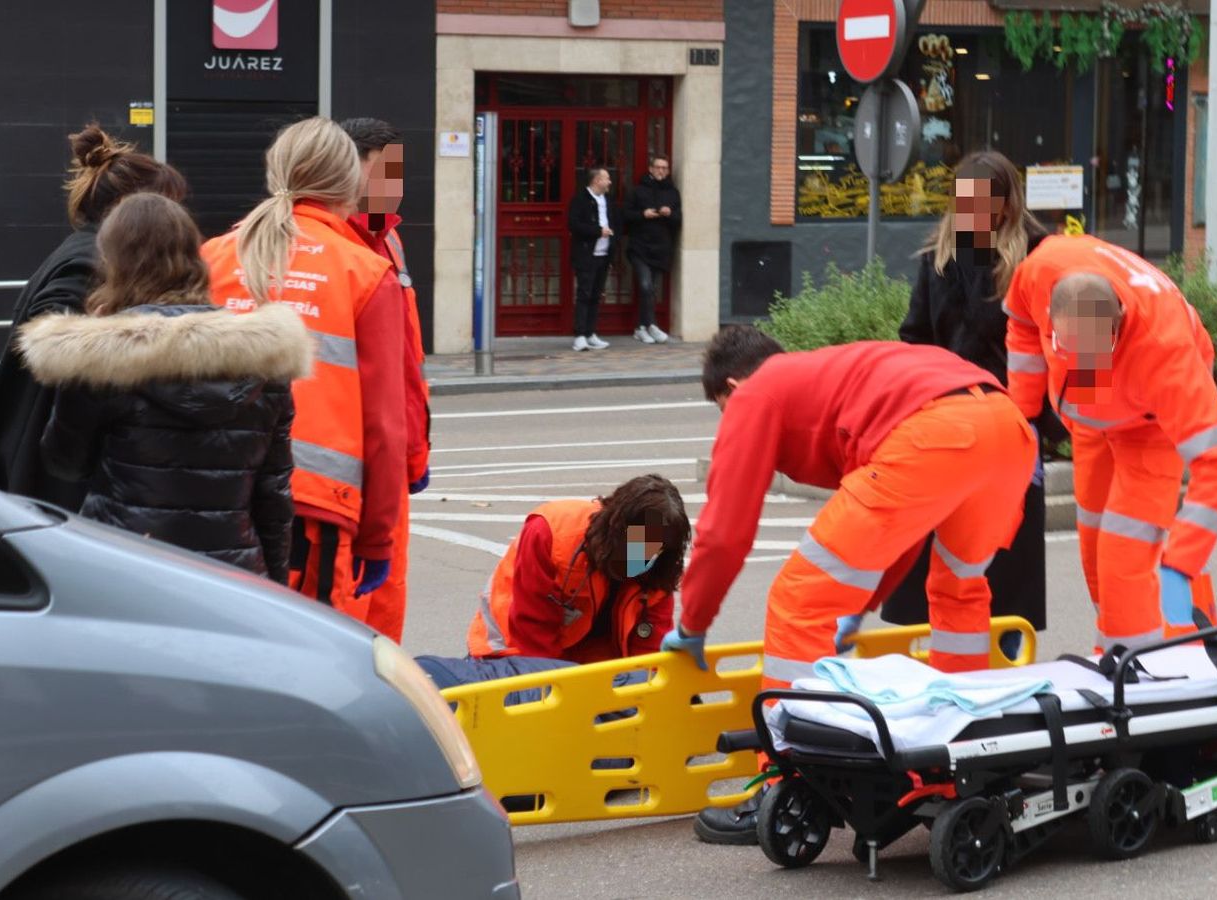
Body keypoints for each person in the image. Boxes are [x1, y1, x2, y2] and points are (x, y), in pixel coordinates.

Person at [663, 327, 1036, 844]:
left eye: (725, 411)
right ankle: (962, 752)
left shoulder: (756, 391)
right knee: (959, 590)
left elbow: (725, 532)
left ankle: (783, 783)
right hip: (1007, 430)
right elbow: (899, 528)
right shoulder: (838, 375)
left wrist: (693, 622)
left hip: (934, 434)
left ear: (732, 385)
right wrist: (858, 609)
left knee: (798, 599)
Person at [16, 193, 311, 581]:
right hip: (234, 574)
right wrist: (274, 586)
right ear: (193, 257)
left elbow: (64, 463)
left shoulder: (103, 358)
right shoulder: (263, 359)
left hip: (128, 566)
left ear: (113, 262)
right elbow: (273, 497)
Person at [202, 117, 408, 623]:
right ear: (351, 182)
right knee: (304, 653)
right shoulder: (363, 269)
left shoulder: (213, 255)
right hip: (313, 508)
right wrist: (378, 537)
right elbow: (384, 420)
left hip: (214, 490)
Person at [1004, 234, 1217, 654]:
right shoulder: (1040, 271)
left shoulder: (1165, 356)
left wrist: (1180, 565)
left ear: (1116, 328)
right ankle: (1126, 645)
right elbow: (1022, 325)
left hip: (1149, 428)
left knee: (1124, 560)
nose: (1082, 365)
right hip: (1094, 421)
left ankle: (1134, 676)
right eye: (1067, 349)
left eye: (1093, 352)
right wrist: (1023, 416)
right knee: (1095, 546)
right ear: (1052, 318)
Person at [888, 150, 1058, 656]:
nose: (969, 214)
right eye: (962, 202)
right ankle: (938, 660)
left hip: (1012, 427)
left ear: (1006, 206)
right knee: (937, 559)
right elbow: (914, 338)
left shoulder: (1038, 256)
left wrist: (1058, 421)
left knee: (1005, 564)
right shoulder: (937, 259)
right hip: (946, 426)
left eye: (981, 204)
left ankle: (1006, 660)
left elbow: (1060, 345)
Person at [0, 124, 188, 511]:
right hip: (52, 487)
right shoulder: (90, 265)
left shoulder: (82, 251)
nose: (176, 218)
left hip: (36, 472)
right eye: (168, 205)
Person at [414, 474, 688, 690]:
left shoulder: (657, 570)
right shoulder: (551, 534)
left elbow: (649, 652)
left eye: (656, 548)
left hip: (585, 663)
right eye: (640, 544)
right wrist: (556, 696)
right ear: (617, 528)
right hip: (513, 650)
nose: (645, 554)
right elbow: (532, 634)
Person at [339, 116, 433, 643]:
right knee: (346, 614)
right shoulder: (334, 248)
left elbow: (406, 363)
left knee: (384, 612)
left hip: (390, 459)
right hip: (349, 463)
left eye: (397, 174)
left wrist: (414, 456)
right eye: (384, 173)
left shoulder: (388, 242)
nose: (393, 186)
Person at [623, 155, 680, 344]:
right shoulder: (638, 191)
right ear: (650, 169)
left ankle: (641, 327)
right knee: (646, 285)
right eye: (658, 167)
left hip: (660, 247)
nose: (661, 171)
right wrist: (643, 214)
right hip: (639, 246)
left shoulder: (673, 193)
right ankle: (651, 324)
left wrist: (670, 213)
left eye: (665, 168)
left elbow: (679, 220)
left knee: (651, 289)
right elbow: (625, 215)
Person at [568, 166, 617, 351]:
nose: (610, 182)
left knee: (596, 295)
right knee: (584, 294)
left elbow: (615, 222)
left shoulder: (608, 200)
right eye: (607, 178)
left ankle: (590, 333)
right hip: (586, 254)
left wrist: (613, 239)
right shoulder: (580, 199)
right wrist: (598, 231)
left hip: (604, 254)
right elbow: (574, 224)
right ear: (597, 181)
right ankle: (580, 335)